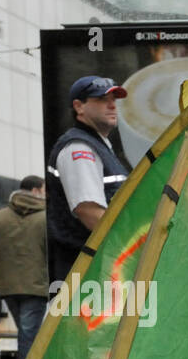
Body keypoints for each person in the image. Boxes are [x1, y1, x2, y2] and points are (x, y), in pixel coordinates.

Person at [46, 75, 130, 284]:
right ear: (79, 107)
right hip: (88, 274)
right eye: (101, 99)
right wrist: (134, 246)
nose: (111, 105)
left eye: (114, 99)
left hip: (97, 272)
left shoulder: (98, 147)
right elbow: (89, 211)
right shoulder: (79, 148)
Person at [0, 175, 48, 359]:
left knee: (25, 332)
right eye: (44, 189)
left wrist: (3, 260)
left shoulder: (0, 217)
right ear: (35, 191)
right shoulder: (45, 218)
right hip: (36, 286)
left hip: (9, 286)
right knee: (29, 335)